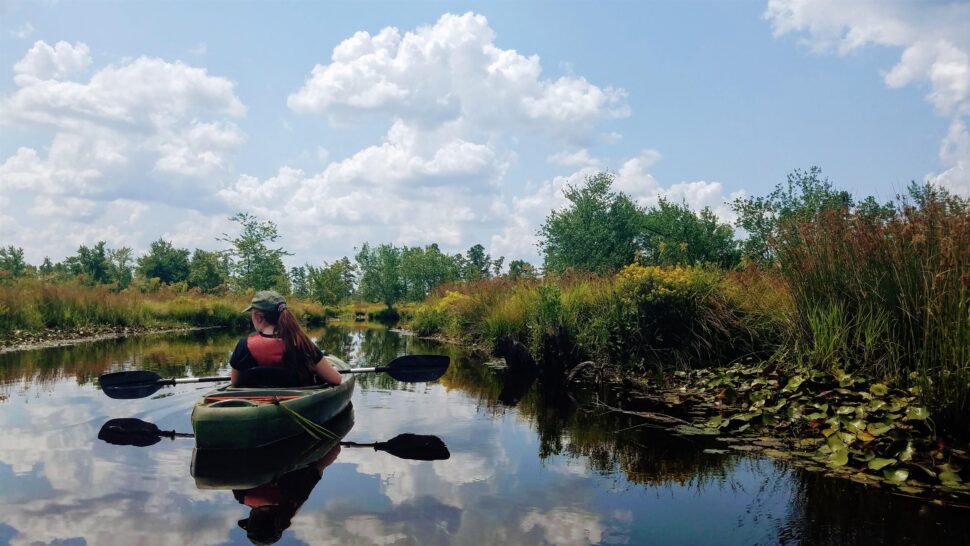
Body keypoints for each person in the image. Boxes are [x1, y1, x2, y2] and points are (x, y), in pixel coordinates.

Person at [230, 290, 342, 387]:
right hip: (298, 402)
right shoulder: (301, 343)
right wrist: (334, 371)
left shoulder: (244, 346)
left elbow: (235, 382)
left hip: (256, 404)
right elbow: (336, 380)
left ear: (258, 317)